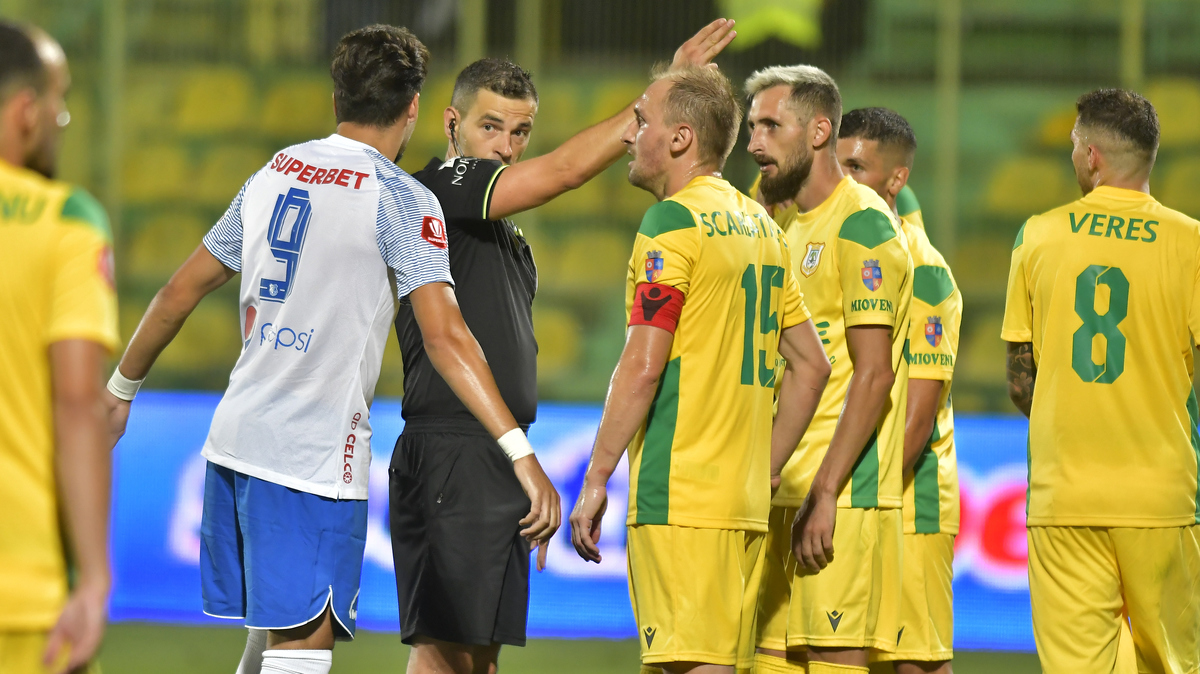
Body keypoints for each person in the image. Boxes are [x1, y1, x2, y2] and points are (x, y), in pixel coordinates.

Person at [103, 25, 558, 674]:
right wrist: (519, 452)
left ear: (338, 96)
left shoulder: (272, 173)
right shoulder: (404, 200)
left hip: (234, 442)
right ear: (414, 109)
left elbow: (179, 292)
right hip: (310, 457)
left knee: (269, 639)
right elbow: (447, 336)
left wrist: (121, 390)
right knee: (302, 652)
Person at [390, 19, 736, 674]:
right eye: (489, 126)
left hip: (493, 451)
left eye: (520, 132)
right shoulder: (443, 185)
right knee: (442, 653)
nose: (504, 146)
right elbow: (570, 170)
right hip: (453, 450)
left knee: (477, 659)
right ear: (451, 123)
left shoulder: (507, 236)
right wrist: (660, 93)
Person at [568, 64, 831, 674]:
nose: (631, 136)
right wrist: (762, 468)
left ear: (680, 138)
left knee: (691, 666)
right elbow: (811, 367)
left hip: (681, 494)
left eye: (642, 121)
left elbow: (642, 364)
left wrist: (596, 476)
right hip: (739, 502)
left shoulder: (672, 223)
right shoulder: (763, 227)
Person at [1002, 88, 1200, 674]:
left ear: (1091, 156)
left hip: (1066, 497)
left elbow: (1020, 380)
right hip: (1163, 494)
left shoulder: (1038, 234)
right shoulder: (1190, 241)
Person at [744, 66, 913, 674]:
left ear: (819, 131)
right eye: (751, 125)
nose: (754, 142)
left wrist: (826, 491)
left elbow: (874, 376)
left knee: (831, 660)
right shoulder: (782, 223)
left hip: (838, 497)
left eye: (770, 125)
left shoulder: (862, 223)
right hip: (780, 491)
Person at [0, 21, 116, 674]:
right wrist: (94, 580)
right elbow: (76, 404)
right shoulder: (65, 221)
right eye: (58, 100)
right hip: (21, 595)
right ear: (25, 111)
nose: (62, 117)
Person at [837, 108, 962, 674]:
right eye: (836, 165)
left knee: (914, 662)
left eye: (857, 167)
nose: (843, 180)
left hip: (909, 505)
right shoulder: (841, 252)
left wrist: (842, 494)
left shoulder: (926, 270)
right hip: (852, 491)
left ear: (897, 180)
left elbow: (916, 416)